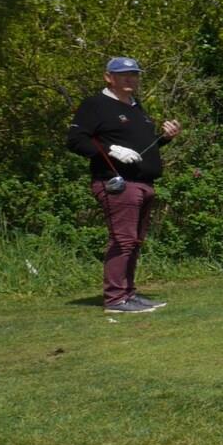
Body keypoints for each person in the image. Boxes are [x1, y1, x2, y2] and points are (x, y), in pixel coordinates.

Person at [64, 57, 181, 313]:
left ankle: (128, 294)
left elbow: (141, 147)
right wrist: (111, 150)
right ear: (109, 77)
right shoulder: (96, 104)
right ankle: (116, 299)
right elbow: (75, 140)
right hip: (118, 183)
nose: (130, 79)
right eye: (123, 74)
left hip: (144, 182)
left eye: (134, 74)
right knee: (123, 240)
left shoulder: (136, 106)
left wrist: (164, 138)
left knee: (134, 241)